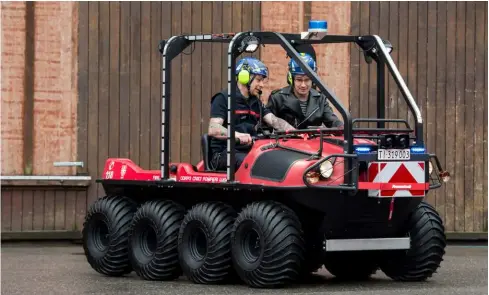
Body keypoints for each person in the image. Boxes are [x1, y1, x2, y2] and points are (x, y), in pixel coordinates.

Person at [207, 57, 296, 171]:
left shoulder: (255, 102)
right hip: (224, 153)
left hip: (249, 151)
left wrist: (296, 133)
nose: (262, 85)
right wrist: (237, 135)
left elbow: (274, 120)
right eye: (258, 80)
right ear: (244, 78)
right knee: (257, 165)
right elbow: (213, 128)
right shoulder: (223, 98)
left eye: (263, 80)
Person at [267, 53, 343, 129]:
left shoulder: (320, 99)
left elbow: (332, 120)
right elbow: (266, 127)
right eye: (299, 80)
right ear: (291, 79)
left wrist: (341, 126)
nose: (303, 85)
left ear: (313, 80)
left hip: (314, 140)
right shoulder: (277, 98)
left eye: (307, 80)